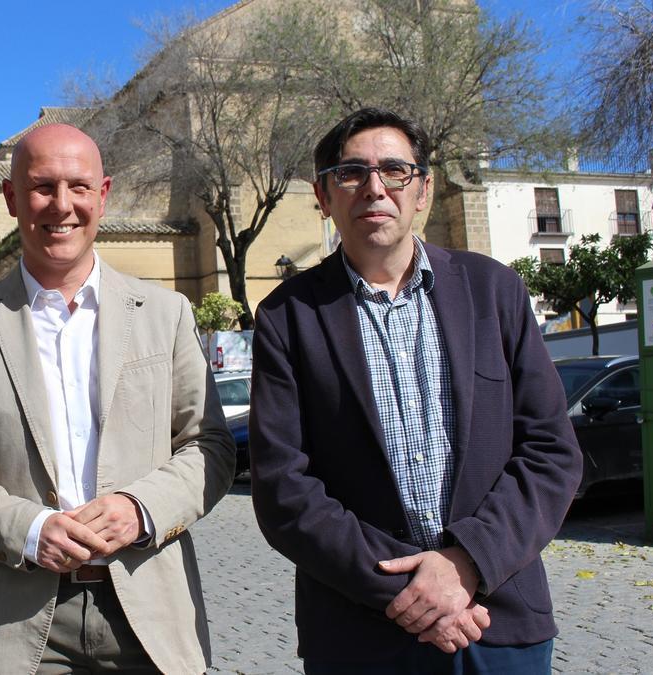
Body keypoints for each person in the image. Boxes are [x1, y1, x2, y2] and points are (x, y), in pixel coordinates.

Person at [249, 108, 582, 673]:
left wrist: (465, 564)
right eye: (351, 173)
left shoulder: (493, 292)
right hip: (362, 633)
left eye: (394, 171)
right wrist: (412, 590)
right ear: (323, 196)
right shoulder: (288, 315)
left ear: (423, 189)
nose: (374, 188)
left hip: (498, 618)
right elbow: (284, 488)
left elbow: (550, 453)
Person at [0, 123, 235, 674]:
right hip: (17, 622)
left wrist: (140, 510)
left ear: (103, 195)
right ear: (12, 198)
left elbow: (211, 446)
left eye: (78, 187)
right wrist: (28, 530)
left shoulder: (166, 314)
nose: (62, 206)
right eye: (42, 187)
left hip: (148, 611)